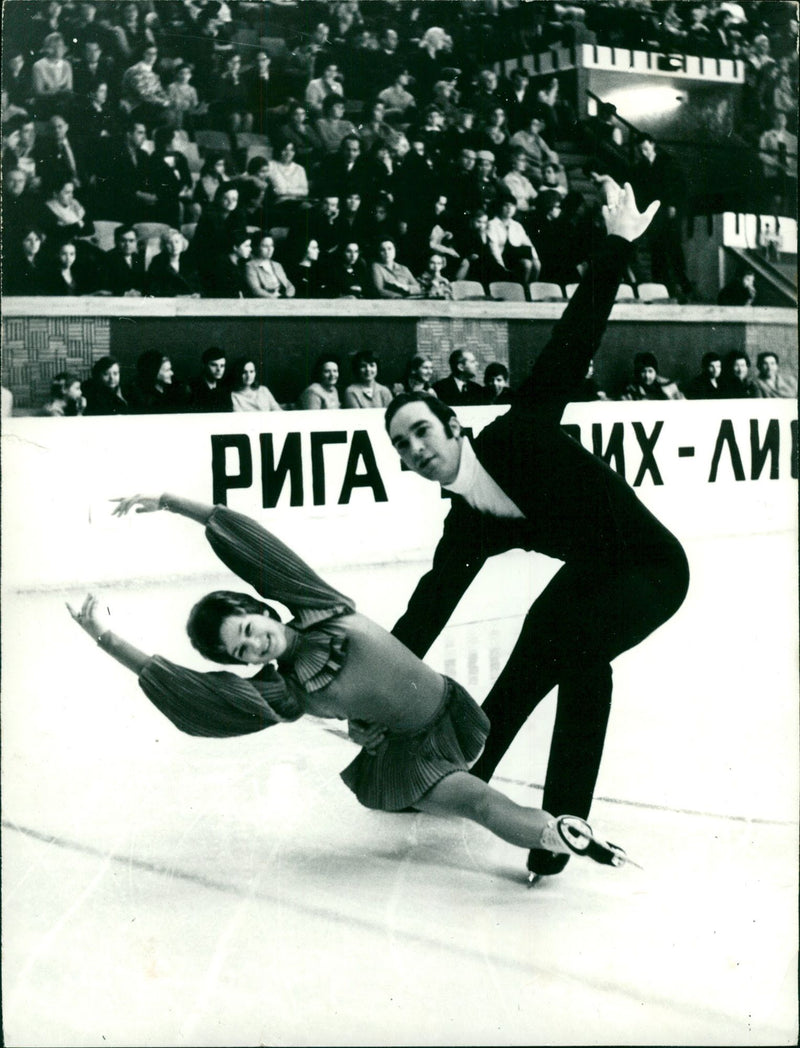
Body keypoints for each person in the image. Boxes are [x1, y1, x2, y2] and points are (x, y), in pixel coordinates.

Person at [67, 495, 633, 880]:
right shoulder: (287, 693)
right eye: (239, 652)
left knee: (472, 801)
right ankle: (561, 834)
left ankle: (557, 834)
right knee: (481, 804)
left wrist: (168, 501)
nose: (253, 646)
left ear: (262, 607)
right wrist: (108, 639)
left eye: (247, 629)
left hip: (447, 711)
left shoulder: (316, 603)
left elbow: (250, 543)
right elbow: (195, 694)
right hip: (410, 756)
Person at [384, 182, 688, 880]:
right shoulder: (464, 525)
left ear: (453, 425)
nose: (416, 447)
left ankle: (560, 829)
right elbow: (427, 612)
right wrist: (369, 685)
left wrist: (615, 245)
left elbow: (573, 337)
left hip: (651, 568)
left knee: (578, 652)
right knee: (532, 651)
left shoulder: (517, 437)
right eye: (402, 444)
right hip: (594, 569)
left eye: (422, 430)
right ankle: (461, 770)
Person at [245, 232, 295, 299]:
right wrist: (276, 299)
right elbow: (256, 290)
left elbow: (289, 285)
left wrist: (287, 296)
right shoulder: (250, 266)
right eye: (265, 246)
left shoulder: (277, 265)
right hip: (266, 301)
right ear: (256, 247)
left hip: (284, 299)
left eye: (271, 245)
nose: (270, 249)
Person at [189, 347, 230, 413]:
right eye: (214, 365)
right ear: (204, 365)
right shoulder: (193, 387)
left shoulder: (224, 387)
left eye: (222, 366)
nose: (219, 369)